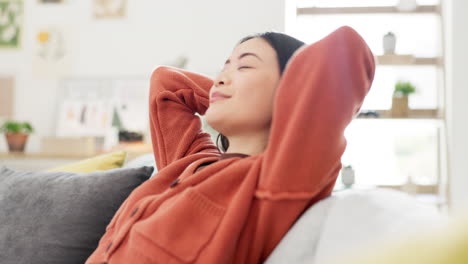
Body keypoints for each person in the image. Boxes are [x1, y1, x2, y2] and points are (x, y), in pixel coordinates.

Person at [85, 26, 375, 264]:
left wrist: (278, 103)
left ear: (293, 92)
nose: (220, 79)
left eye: (245, 66)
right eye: (224, 67)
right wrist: (228, 90)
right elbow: (167, 84)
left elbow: (346, 50)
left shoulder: (277, 178)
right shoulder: (191, 160)